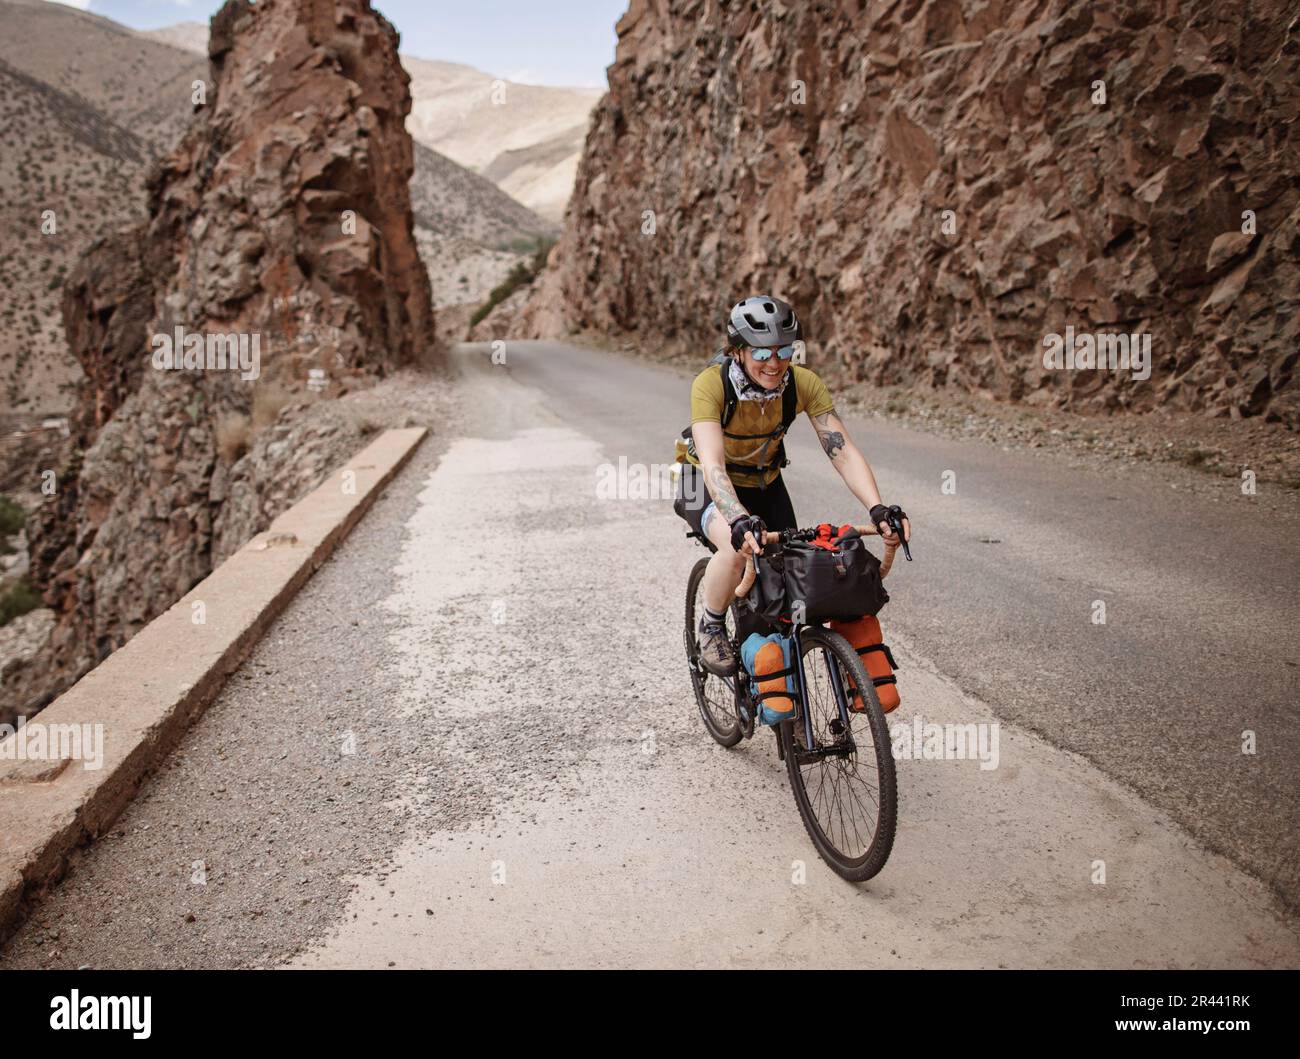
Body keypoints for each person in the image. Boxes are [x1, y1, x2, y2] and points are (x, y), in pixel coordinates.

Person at [674, 295, 911, 675]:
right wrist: (736, 520)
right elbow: (713, 464)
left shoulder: (802, 384)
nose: (775, 362)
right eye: (761, 353)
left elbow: (842, 450)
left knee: (789, 569)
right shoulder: (711, 385)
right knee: (737, 551)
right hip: (702, 481)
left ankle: (785, 696)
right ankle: (712, 624)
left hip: (764, 482)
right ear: (737, 351)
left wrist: (877, 508)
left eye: (784, 350)